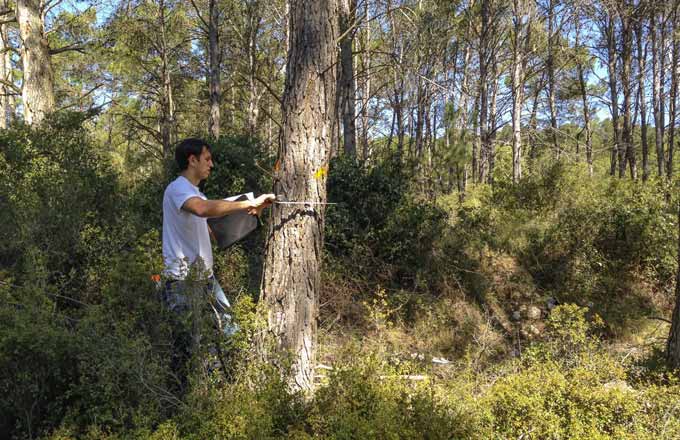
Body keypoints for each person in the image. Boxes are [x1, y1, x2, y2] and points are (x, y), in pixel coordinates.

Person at [161, 137, 274, 384]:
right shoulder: (178, 188)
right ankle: (182, 402)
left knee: (230, 331)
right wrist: (247, 202)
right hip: (183, 282)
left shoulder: (195, 193)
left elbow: (213, 232)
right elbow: (203, 210)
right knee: (186, 347)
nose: (211, 165)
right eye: (207, 159)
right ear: (192, 160)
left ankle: (228, 387)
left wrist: (254, 210)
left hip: (205, 280)